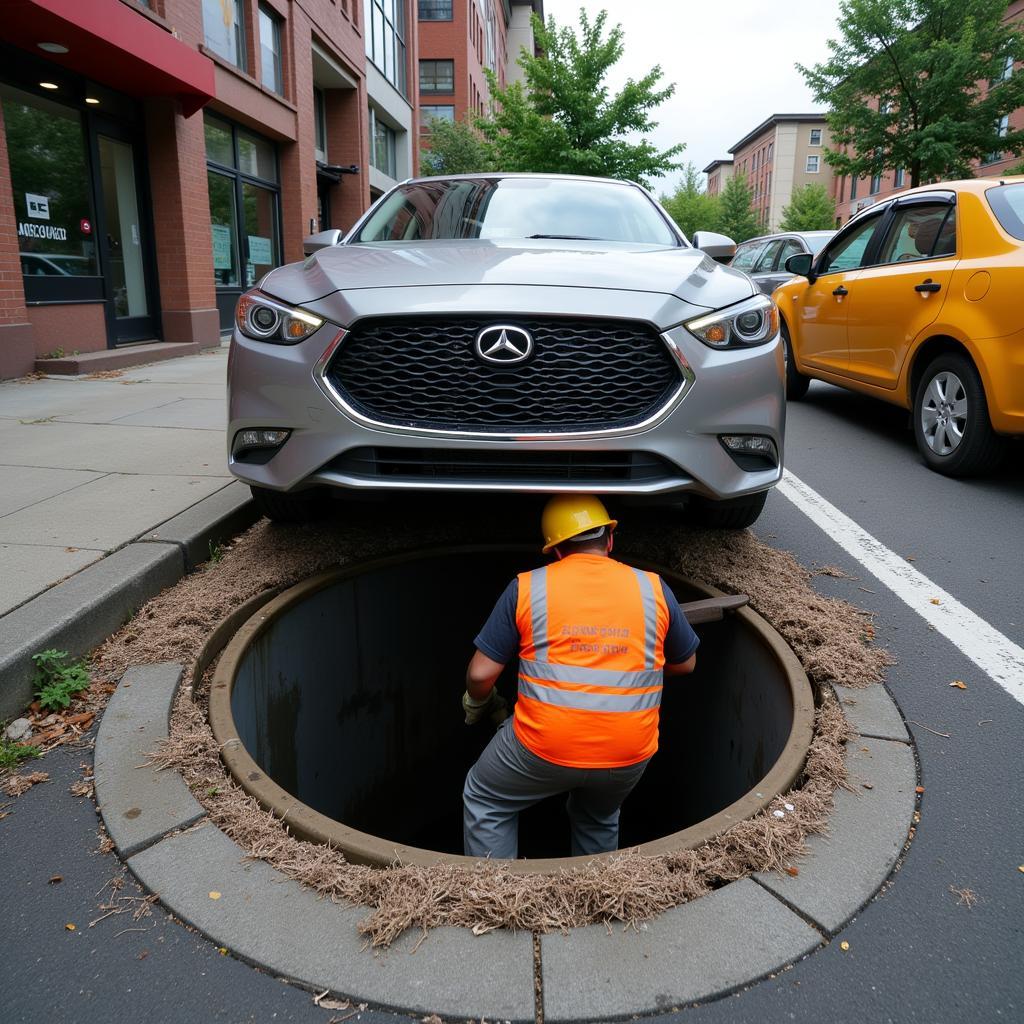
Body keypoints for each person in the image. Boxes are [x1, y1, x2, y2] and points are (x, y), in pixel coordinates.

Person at [461, 495, 699, 860]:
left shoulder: (527, 587)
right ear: (610, 540)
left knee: (486, 798)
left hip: (542, 746)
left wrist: (481, 701)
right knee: (598, 815)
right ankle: (597, 902)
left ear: (555, 551)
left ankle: (495, 899)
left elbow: (480, 673)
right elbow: (686, 664)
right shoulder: (652, 587)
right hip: (628, 750)